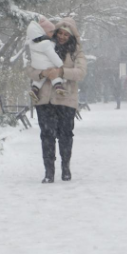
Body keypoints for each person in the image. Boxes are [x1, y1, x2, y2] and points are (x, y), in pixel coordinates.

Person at [25, 17, 86, 183]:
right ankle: (49, 172)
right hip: (44, 101)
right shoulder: (43, 46)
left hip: (66, 100)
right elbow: (30, 69)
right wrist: (43, 74)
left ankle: (65, 167)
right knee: (46, 135)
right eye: (59, 33)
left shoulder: (76, 52)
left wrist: (61, 73)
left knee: (65, 135)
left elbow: (80, 73)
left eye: (66, 34)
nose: (62, 36)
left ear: (72, 36)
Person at [26, 18, 67, 102]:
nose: (53, 34)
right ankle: (58, 86)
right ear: (43, 32)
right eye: (51, 32)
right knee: (54, 73)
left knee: (40, 78)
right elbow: (53, 56)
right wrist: (60, 64)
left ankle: (35, 89)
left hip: (37, 65)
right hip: (47, 65)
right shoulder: (47, 43)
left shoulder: (32, 43)